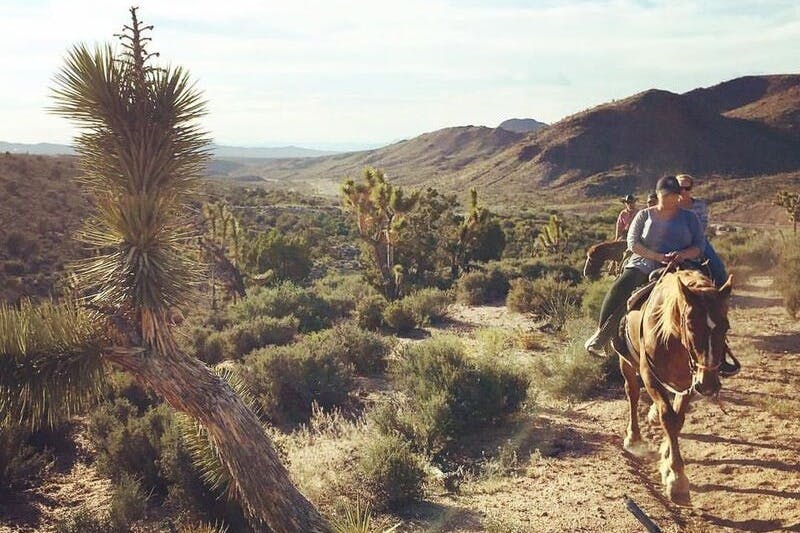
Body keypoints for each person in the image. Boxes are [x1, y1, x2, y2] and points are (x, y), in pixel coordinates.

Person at [585, 175, 704, 357]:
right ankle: (600, 337)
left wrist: (681, 255)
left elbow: (698, 246)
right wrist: (658, 256)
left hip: (682, 264)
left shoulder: (690, 218)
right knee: (620, 288)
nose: (670, 199)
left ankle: (717, 349)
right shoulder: (644, 215)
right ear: (658, 194)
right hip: (645, 261)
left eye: (674, 195)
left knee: (707, 296)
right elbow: (633, 243)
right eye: (666, 195)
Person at [675, 174, 728, 287]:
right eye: (680, 188)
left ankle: (721, 291)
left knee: (716, 264)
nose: (683, 191)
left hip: (697, 240)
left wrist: (693, 238)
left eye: (687, 188)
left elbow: (703, 223)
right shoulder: (672, 205)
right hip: (676, 241)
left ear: (691, 188)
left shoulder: (700, 205)